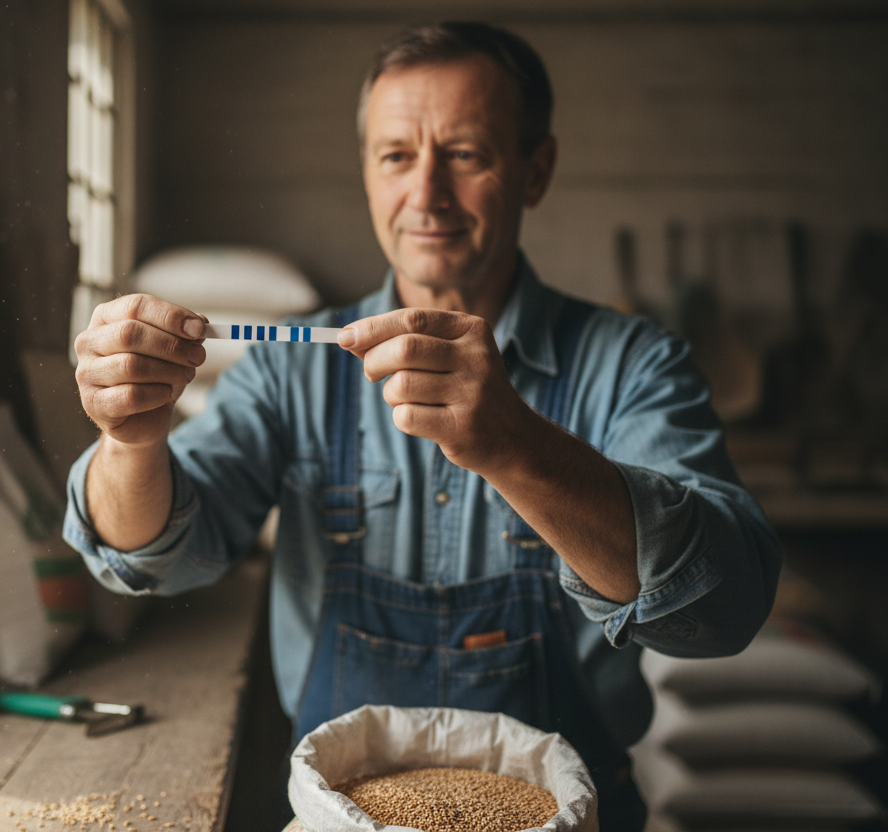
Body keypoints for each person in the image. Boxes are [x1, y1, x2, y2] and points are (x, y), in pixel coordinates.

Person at [64, 21, 780, 831]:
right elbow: (152, 559)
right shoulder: (289, 369)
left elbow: (726, 610)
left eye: (467, 154)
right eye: (397, 155)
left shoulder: (636, 365)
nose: (428, 193)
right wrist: (130, 440)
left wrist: (519, 448)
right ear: (368, 174)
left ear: (535, 170)